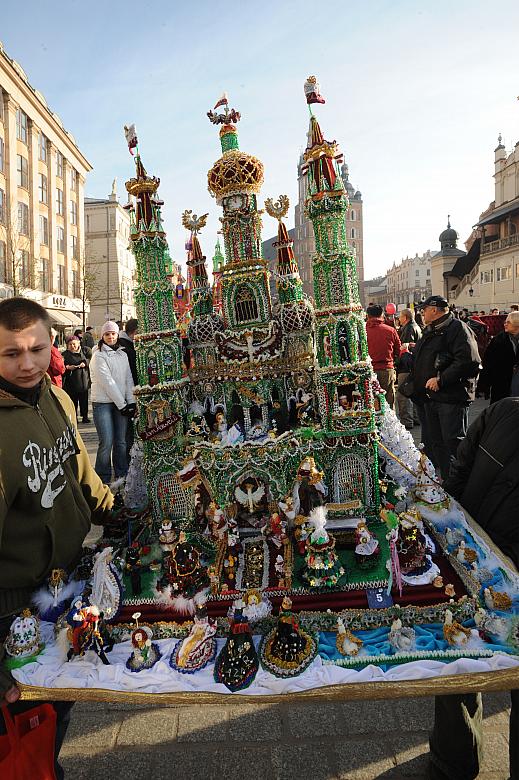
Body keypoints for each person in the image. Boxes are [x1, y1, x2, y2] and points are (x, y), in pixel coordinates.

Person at [0, 297, 114, 779]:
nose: (27, 363)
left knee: (56, 713)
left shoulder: (57, 397)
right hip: (12, 606)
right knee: (21, 727)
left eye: (37, 348)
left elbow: (80, 473)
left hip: (63, 585)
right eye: (10, 353)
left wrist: (115, 511)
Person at [429, 398, 519, 780]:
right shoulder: (504, 412)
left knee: (465, 658)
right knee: (460, 658)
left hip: (492, 562)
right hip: (474, 558)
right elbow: (462, 463)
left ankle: (454, 761)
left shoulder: (505, 411)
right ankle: (453, 760)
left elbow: (460, 464)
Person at [409, 295, 480, 480]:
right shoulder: (432, 329)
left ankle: (461, 483)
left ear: (434, 309)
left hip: (451, 397)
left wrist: (441, 380)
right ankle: (447, 482)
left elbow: (469, 361)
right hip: (431, 398)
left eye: (424, 309)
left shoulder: (457, 328)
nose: (421, 313)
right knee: (436, 443)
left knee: (453, 443)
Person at [90, 321, 136, 484]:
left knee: (121, 441)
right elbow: (107, 382)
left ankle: (121, 474)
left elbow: (128, 379)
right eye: (107, 334)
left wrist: (131, 401)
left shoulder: (122, 354)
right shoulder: (98, 356)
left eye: (113, 334)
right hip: (103, 403)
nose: (110, 337)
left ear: (117, 335)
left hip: (121, 402)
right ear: (102, 336)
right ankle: (102, 477)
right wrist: (123, 405)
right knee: (107, 441)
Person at [365, 304, 401, 409]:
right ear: (382, 314)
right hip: (387, 369)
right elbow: (398, 350)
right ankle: (390, 424)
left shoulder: (363, 331)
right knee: (389, 401)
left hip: (369, 370)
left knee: (371, 402)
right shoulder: (391, 330)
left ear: (368, 316)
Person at [478, 311, 519, 403]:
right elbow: (488, 363)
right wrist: (484, 385)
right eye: (505, 322)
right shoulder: (498, 340)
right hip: (501, 383)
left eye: (508, 322)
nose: (505, 324)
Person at [396, 308, 422, 429]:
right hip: (415, 365)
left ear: (405, 317)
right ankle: (417, 418)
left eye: (400, 316)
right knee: (413, 392)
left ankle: (407, 421)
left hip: (407, 366)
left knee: (404, 394)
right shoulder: (415, 326)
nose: (399, 319)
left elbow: (405, 349)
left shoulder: (408, 328)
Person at [119, 318, 139, 456]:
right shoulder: (126, 346)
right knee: (126, 432)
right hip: (127, 392)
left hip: (129, 391)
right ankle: (127, 460)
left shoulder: (128, 344)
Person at [62, 333, 91, 423]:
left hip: (83, 380)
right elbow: (61, 366)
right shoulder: (65, 354)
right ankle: (74, 417)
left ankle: (85, 416)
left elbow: (92, 360)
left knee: (84, 400)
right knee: (73, 401)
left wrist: (85, 363)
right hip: (71, 381)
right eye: (70, 344)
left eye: (74, 344)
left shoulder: (85, 351)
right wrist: (67, 367)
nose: (72, 346)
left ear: (78, 343)